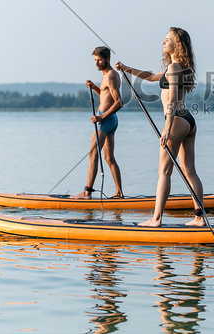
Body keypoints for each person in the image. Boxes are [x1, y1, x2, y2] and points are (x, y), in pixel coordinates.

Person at [116, 27, 205, 227]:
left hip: (175, 120)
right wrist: (127, 68)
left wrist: (167, 127)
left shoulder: (174, 69)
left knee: (164, 172)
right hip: (187, 121)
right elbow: (150, 76)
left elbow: (172, 98)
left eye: (167, 39)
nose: (163, 43)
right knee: (189, 171)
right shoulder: (176, 67)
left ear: (178, 45)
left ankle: (156, 219)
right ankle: (199, 217)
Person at [73, 46, 124, 199]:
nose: (97, 63)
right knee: (109, 158)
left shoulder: (110, 76)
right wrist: (94, 87)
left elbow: (119, 102)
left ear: (108, 59)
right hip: (110, 120)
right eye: (95, 60)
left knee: (93, 154)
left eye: (99, 60)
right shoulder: (107, 75)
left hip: (106, 120)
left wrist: (101, 117)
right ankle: (119, 193)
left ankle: (87, 192)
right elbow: (105, 96)